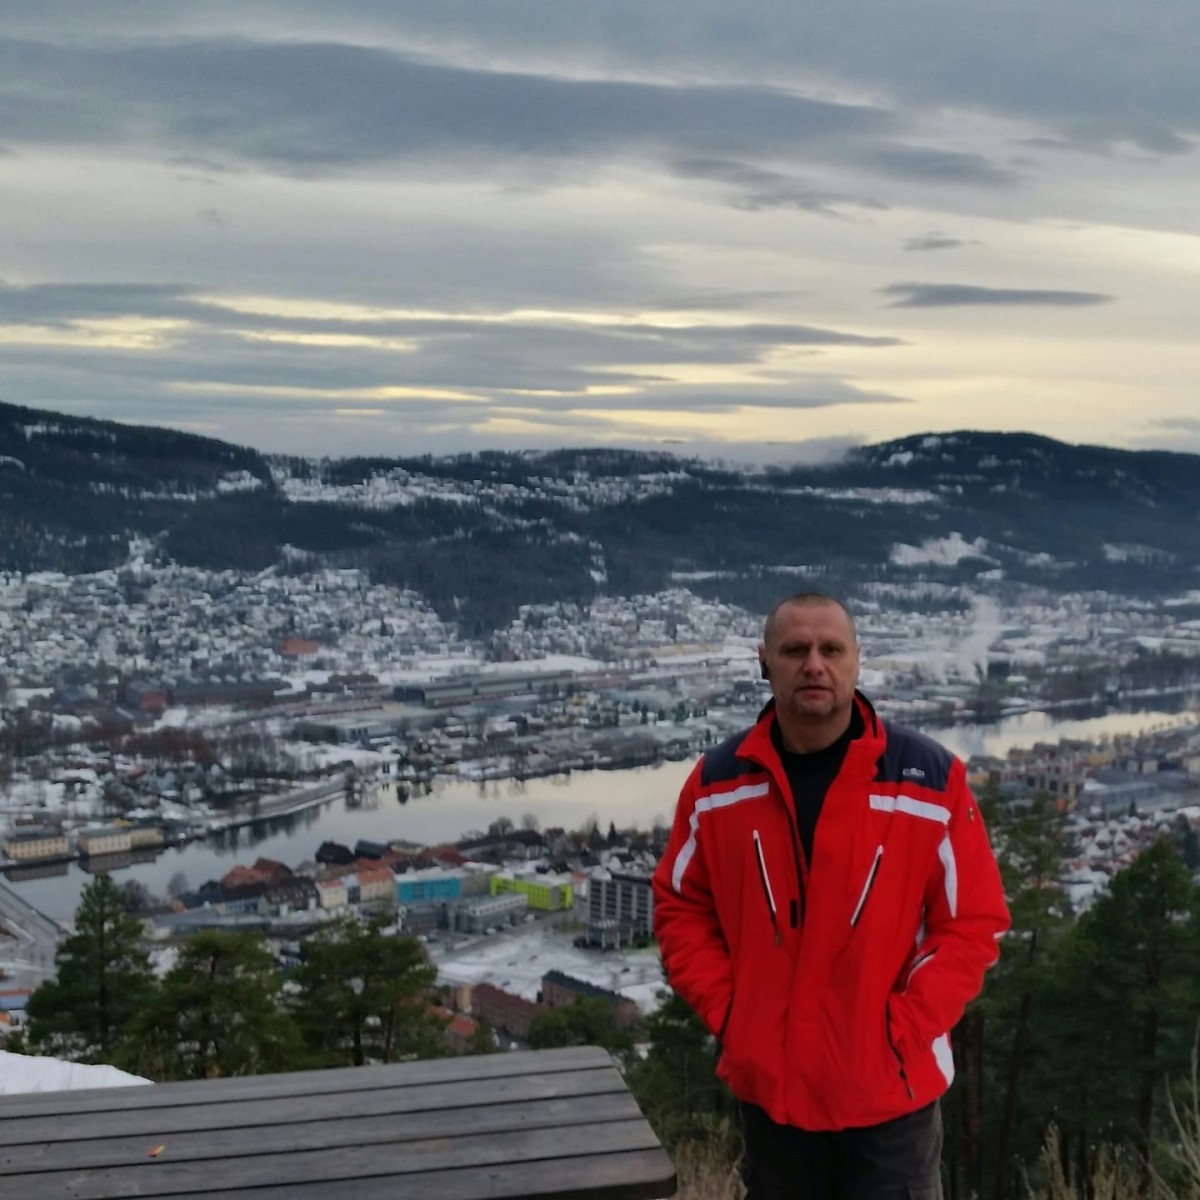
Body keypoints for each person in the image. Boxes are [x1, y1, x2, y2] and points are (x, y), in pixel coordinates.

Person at [652, 592, 1010, 1200]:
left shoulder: (928, 781)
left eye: (831, 649)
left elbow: (973, 922)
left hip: (890, 1099)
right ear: (764, 662)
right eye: (796, 650)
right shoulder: (718, 785)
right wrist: (735, 1015)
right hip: (775, 1098)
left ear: (856, 660)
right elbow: (680, 907)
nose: (814, 665)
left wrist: (903, 1028)